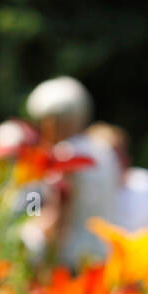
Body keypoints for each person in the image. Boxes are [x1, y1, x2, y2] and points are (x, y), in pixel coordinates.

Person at [21, 76, 120, 267]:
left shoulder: (66, 153)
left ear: (53, 121)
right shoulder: (105, 150)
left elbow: (59, 214)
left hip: (71, 259)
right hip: (103, 255)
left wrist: (30, 235)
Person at [86, 122, 148, 235]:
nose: (118, 161)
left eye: (121, 153)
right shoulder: (87, 192)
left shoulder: (146, 182)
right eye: (111, 156)